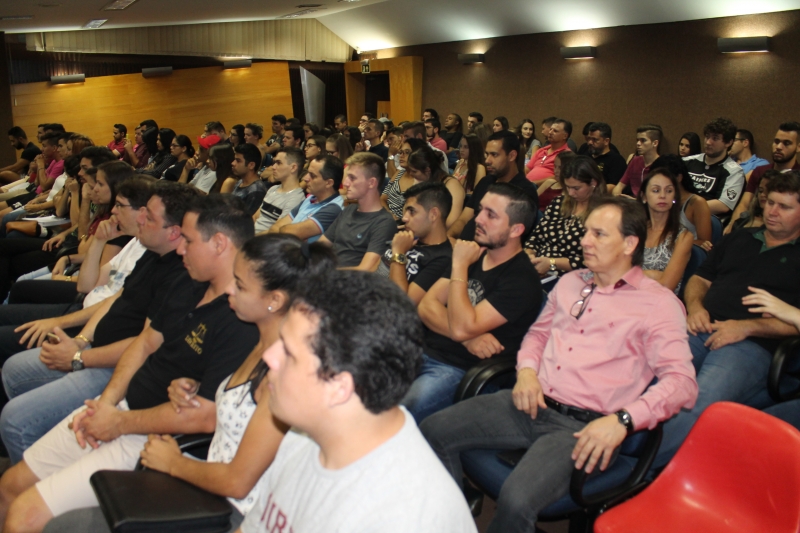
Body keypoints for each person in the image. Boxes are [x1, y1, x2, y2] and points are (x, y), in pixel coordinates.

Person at [421, 196, 698, 533]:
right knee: (433, 431)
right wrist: (526, 372)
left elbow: (682, 382)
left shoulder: (658, 304)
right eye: (586, 231)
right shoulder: (571, 282)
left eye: (598, 234)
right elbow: (538, 335)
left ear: (629, 244)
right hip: (531, 402)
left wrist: (623, 421)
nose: (584, 241)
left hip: (583, 427)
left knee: (517, 500)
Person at [0, 196, 260, 532]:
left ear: (220, 244)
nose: (181, 249)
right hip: (120, 409)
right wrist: (106, 406)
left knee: (25, 515)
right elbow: (145, 343)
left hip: (151, 437)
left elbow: (205, 415)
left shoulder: (243, 320)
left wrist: (118, 423)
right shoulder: (188, 281)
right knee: (9, 487)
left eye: (189, 241)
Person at [239, 269, 476, 533]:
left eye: (289, 353)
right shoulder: (303, 432)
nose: (269, 356)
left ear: (339, 387)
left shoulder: (407, 517)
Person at [0, 182, 195, 464]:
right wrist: (81, 340)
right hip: (94, 345)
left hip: (114, 365)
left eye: (149, 216)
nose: (140, 219)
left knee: (15, 420)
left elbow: (144, 345)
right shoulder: (153, 252)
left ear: (174, 232)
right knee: (13, 370)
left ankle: (40, 474)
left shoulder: (181, 275)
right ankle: (42, 451)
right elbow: (116, 299)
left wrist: (78, 358)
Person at [656, 171, 800, 468]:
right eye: (770, 202)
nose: (772, 211)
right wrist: (695, 307)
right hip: (702, 326)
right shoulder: (740, 238)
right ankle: (612, 438)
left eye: (784, 207)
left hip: (753, 344)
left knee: (701, 399)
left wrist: (747, 326)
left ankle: (638, 466)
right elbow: (700, 279)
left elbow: (795, 322)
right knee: (649, 372)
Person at [403, 182, 542, 422]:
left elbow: (461, 327)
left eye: (491, 215)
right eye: (480, 210)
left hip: (462, 371)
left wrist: (459, 266)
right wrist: (469, 339)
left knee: (395, 413)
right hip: (423, 350)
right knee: (355, 386)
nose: (478, 219)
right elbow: (426, 306)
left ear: (516, 229)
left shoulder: (521, 279)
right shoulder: (474, 254)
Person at [525, 156, 607, 288]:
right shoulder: (558, 203)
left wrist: (551, 263)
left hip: (575, 279)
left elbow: (593, 260)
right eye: (567, 187)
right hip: (541, 270)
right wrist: (529, 254)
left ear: (593, 183)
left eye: (576, 188)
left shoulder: (603, 214)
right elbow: (536, 236)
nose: (570, 193)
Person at [449, 131, 539, 241]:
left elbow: (507, 239)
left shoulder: (524, 192)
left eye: (494, 155)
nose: (487, 160)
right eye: (487, 154)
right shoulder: (486, 181)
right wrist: (449, 237)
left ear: (512, 156)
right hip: (463, 245)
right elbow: (463, 219)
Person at [318, 153, 397, 270]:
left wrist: (324, 273)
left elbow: (365, 270)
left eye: (352, 178)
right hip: (327, 273)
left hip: (346, 279)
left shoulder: (384, 223)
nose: (345, 183)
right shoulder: (349, 210)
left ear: (371, 183)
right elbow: (320, 246)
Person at [379, 182, 453, 306]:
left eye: (412, 211)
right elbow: (374, 270)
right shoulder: (406, 237)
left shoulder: (444, 259)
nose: (404, 218)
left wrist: (398, 252)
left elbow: (402, 303)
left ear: (433, 214)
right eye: (405, 211)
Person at [727, 122, 800, 233]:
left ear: (798, 147)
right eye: (776, 142)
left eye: (787, 143)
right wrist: (732, 226)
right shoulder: (760, 171)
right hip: (754, 227)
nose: (779, 147)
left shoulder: (798, 177)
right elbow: (744, 204)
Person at [638, 169, 693, 292]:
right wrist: (653, 274)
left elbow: (667, 285)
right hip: (627, 294)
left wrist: (632, 275)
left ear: (674, 197)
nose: (663, 196)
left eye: (669, 191)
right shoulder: (634, 229)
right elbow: (616, 272)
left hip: (661, 299)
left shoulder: (683, 236)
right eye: (656, 190)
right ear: (644, 197)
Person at [270, 155, 345, 243]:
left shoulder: (334, 208)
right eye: (307, 173)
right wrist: (289, 232)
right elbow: (275, 228)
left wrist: (286, 230)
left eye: (312, 176)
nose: (305, 179)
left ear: (329, 183)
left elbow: (290, 233)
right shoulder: (309, 199)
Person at [683, 117, 745, 215]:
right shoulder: (687, 161)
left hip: (709, 217)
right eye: (707, 137)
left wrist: (686, 207)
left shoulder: (734, 171)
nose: (708, 142)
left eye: (715, 138)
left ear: (728, 142)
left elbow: (723, 205)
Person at [650, 154, 713, 250]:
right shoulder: (658, 200)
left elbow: (704, 243)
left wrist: (670, 243)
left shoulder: (697, 203)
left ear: (678, 178)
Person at [405, 146, 464, 228]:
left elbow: (451, 222)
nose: (410, 174)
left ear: (427, 170)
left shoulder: (452, 185)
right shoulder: (422, 181)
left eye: (414, 171)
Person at [253, 147, 305, 234]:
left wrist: (250, 239)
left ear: (293, 167)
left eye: (279, 163)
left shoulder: (296, 199)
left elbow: (275, 232)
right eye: (274, 163)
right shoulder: (273, 189)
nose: (273, 167)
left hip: (263, 240)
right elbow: (255, 217)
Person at [612, 124, 662, 198]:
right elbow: (619, 186)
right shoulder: (635, 161)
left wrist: (634, 201)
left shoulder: (662, 164)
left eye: (643, 140)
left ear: (655, 143)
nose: (638, 143)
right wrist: (617, 196)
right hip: (632, 202)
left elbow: (658, 196)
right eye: (637, 140)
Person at [383, 138, 425, 219]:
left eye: (407, 152)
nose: (401, 156)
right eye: (401, 152)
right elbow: (382, 198)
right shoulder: (399, 173)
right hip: (386, 216)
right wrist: (389, 215)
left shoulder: (420, 180)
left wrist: (393, 219)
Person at [526, 119, 572, 184]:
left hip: (545, 188)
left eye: (555, 131)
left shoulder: (566, 155)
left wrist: (533, 184)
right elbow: (527, 168)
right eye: (550, 129)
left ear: (565, 136)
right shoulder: (542, 150)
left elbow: (559, 177)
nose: (550, 132)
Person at [231, 143, 268, 216]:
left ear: (251, 165)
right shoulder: (240, 182)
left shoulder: (257, 191)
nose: (233, 163)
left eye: (238, 161)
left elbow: (247, 219)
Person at [586, 122, 627, 187]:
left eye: (595, 140)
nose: (590, 142)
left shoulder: (617, 160)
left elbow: (612, 186)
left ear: (606, 141)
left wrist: (589, 189)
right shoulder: (585, 156)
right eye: (589, 139)